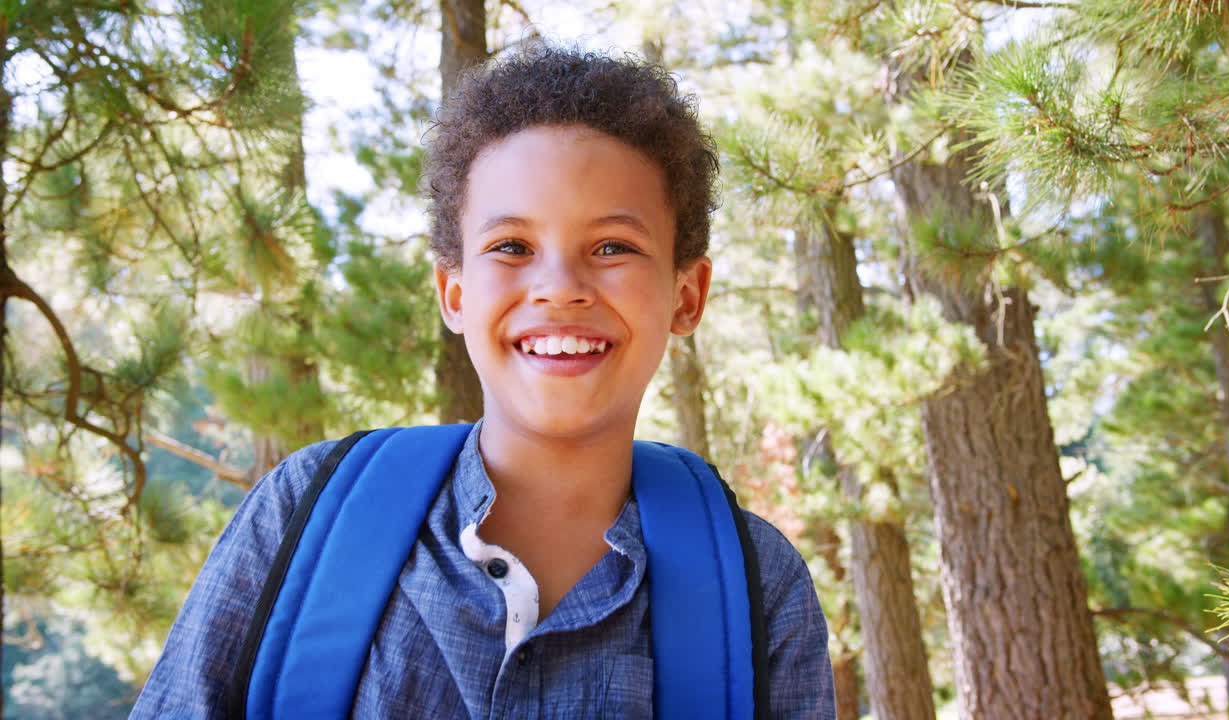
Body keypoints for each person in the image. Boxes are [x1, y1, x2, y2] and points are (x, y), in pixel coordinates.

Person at [131, 44, 836, 719]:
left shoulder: (758, 589)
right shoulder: (306, 517)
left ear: (687, 295)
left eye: (613, 246)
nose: (559, 288)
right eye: (511, 247)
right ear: (454, 293)